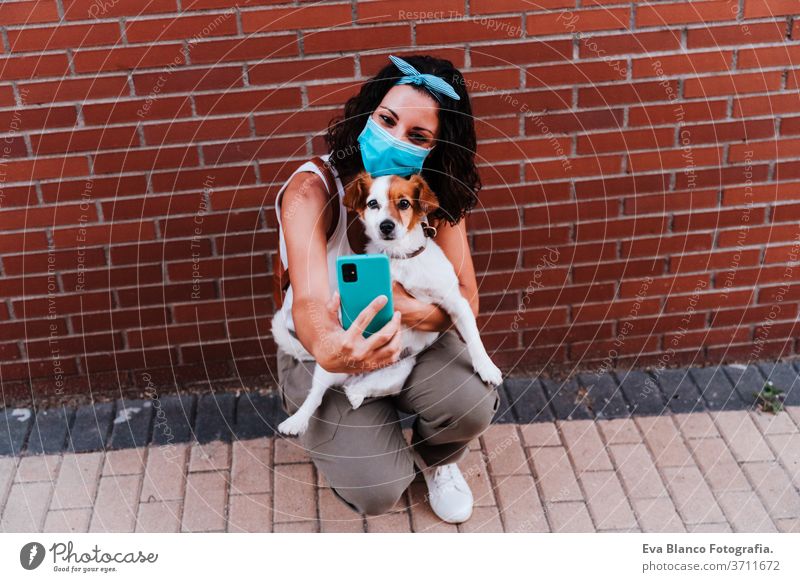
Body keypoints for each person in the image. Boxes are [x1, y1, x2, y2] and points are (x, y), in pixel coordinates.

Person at [274, 54, 499, 523]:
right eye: (387, 120)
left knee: (470, 401)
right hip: (323, 351)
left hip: (412, 340)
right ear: (367, 113)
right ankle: (367, 435)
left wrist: (408, 311)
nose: (395, 139)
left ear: (435, 149)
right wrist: (337, 350)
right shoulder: (311, 191)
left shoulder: (429, 193)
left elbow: (465, 298)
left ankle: (439, 458)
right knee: (378, 490)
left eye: (417, 136)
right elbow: (312, 304)